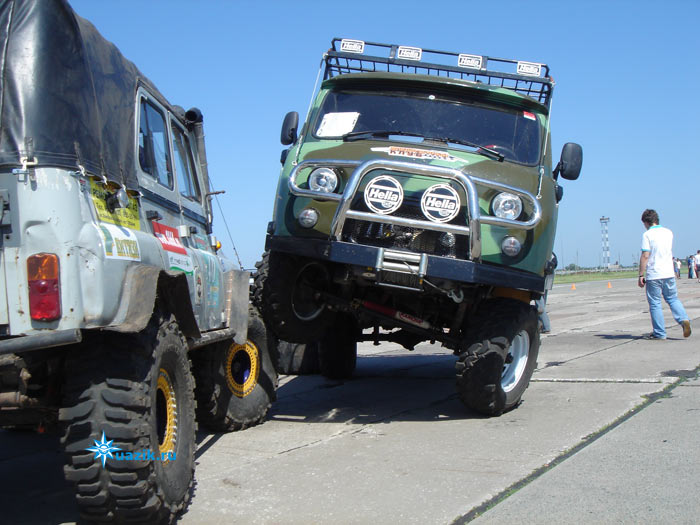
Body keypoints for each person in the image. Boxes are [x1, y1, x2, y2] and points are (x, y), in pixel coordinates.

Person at [637, 209, 691, 340]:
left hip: (654, 274)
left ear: (646, 222)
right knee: (672, 299)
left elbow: (645, 255)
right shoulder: (668, 232)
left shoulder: (647, 235)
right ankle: (683, 319)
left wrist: (641, 275)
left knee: (655, 303)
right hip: (669, 272)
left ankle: (659, 333)